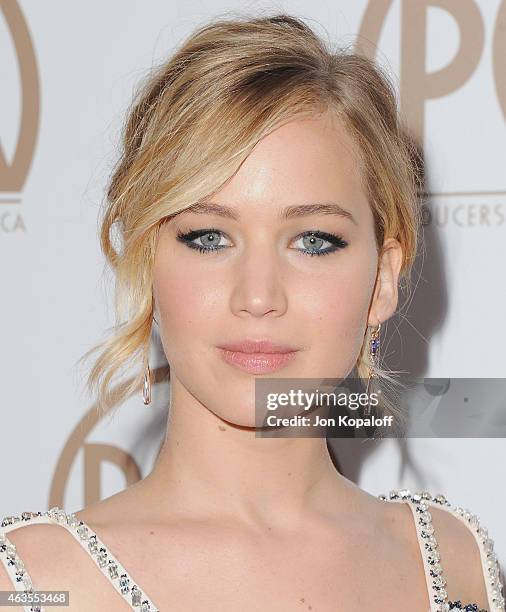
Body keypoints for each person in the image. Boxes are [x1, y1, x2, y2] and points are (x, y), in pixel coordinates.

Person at [0, 12, 503, 612]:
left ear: (383, 280)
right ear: (145, 261)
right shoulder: (36, 583)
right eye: (209, 237)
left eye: (314, 240)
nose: (258, 296)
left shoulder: (452, 564)